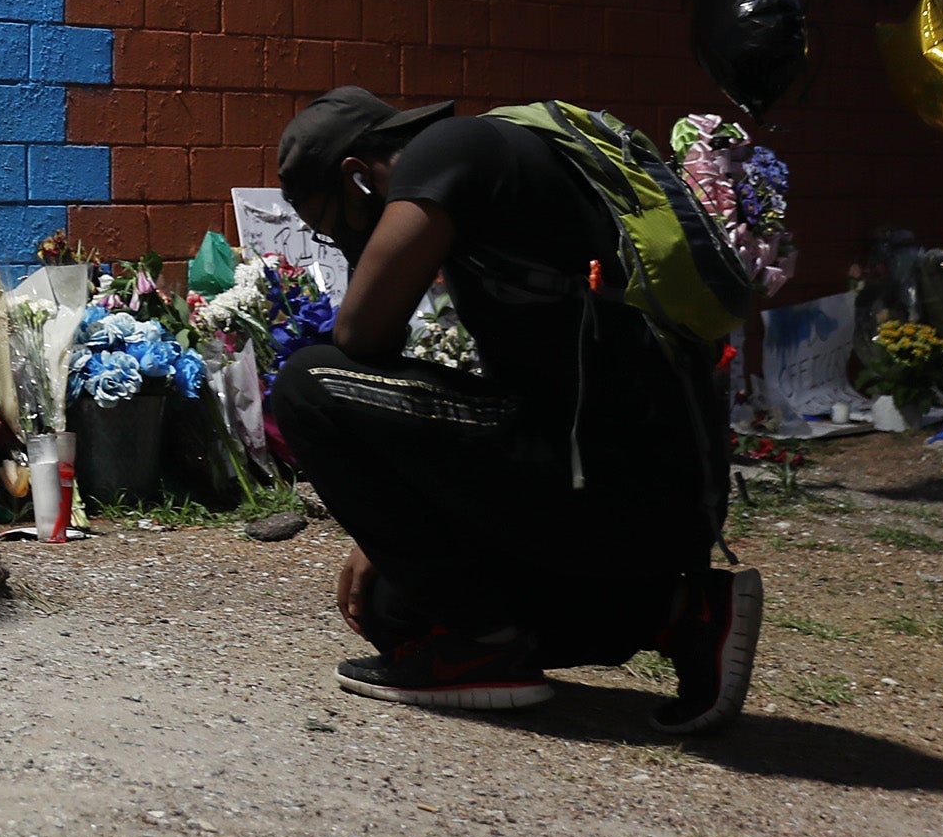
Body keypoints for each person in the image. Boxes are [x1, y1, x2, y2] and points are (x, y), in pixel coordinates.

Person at [265, 87, 759, 730]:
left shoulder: (450, 150)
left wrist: (383, 504)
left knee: (308, 384)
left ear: (357, 178)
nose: (334, 244)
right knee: (393, 608)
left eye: (327, 223)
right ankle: (684, 613)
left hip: (627, 483)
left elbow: (361, 338)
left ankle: (486, 648)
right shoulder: (494, 199)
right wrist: (384, 524)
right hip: (631, 497)